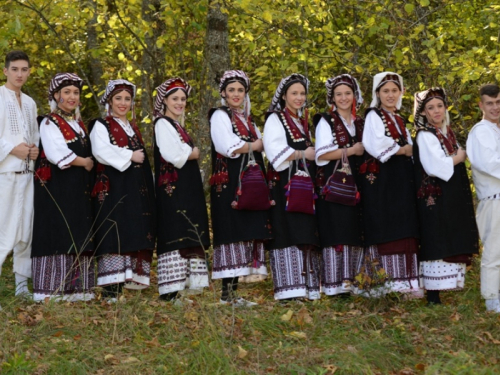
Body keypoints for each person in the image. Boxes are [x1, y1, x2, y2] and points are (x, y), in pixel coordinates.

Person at [209, 70, 272, 307]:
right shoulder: (219, 115)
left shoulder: (248, 119)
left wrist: (257, 145)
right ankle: (227, 294)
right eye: (232, 90)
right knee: (231, 230)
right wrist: (254, 145)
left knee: (244, 231)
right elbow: (226, 146)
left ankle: (233, 293)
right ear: (223, 92)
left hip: (248, 180)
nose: (236, 94)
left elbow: (263, 145)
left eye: (240, 90)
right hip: (229, 181)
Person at [31, 73, 96, 302]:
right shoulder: (49, 122)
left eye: (76, 93)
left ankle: (78, 290)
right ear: (56, 95)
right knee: (59, 231)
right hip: (57, 188)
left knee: (77, 230)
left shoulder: (77, 124)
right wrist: (85, 162)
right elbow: (56, 153)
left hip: (77, 188)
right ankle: (52, 291)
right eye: (67, 92)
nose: (72, 97)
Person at [89, 79, 155, 302]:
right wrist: (130, 155)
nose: (123, 103)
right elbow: (100, 151)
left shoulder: (133, 128)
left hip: (132, 189)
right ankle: (110, 290)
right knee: (114, 232)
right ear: (109, 100)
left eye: (127, 99)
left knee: (130, 231)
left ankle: (125, 282)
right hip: (113, 189)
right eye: (118, 98)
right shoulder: (101, 125)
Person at [413, 87, 479, 305]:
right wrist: (459, 157)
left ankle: (444, 287)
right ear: (423, 113)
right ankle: (433, 294)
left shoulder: (445, 133)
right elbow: (434, 167)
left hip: (446, 196)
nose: (436, 111)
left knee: (447, 235)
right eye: (430, 108)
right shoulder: (425, 135)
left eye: (439, 106)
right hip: (433, 197)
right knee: (436, 237)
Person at [361, 72, 421, 297]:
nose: (390, 95)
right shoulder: (373, 116)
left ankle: (406, 282)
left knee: (404, 222)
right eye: (385, 91)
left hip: (400, 179)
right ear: (377, 93)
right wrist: (403, 149)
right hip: (382, 180)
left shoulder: (399, 118)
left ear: (401, 93)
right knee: (385, 223)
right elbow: (374, 143)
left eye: (394, 90)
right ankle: (383, 283)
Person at [263, 73, 321, 301]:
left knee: (305, 229)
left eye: (302, 93)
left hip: (304, 185)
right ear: (284, 95)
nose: (299, 97)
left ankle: (308, 288)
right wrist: (302, 153)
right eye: (294, 93)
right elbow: (274, 151)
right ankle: (289, 290)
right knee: (286, 230)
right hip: (284, 185)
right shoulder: (275, 119)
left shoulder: (301, 121)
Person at [153, 77, 210, 302]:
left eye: (183, 99)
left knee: (187, 231)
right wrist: (193, 153)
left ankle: (185, 286)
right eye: (174, 98)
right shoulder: (162, 123)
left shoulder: (177, 126)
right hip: (172, 191)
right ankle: (170, 291)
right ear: (164, 100)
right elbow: (174, 156)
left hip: (184, 189)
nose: (179, 102)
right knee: (175, 231)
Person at [314, 74, 365, 296]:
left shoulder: (360, 122)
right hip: (334, 184)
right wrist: (351, 151)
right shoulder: (326, 121)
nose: (343, 98)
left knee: (355, 229)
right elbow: (322, 154)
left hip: (358, 183)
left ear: (354, 95)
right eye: (338, 94)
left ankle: (354, 282)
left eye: (347, 93)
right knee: (337, 228)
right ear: (332, 98)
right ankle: (336, 286)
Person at [0, 50, 39, 309]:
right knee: (3, 231)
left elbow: (34, 137)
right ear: (5, 70)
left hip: (28, 175)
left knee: (26, 231)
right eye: (15, 69)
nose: (20, 74)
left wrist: (34, 151)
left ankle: (21, 286)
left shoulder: (30, 103)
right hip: (5, 175)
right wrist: (12, 149)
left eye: (24, 69)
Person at [466, 83, 500, 313]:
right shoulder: (481, 131)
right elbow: (488, 164)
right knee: (494, 252)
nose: (495, 107)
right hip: (493, 199)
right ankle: (491, 299)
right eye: (490, 103)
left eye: (498, 102)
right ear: (481, 105)